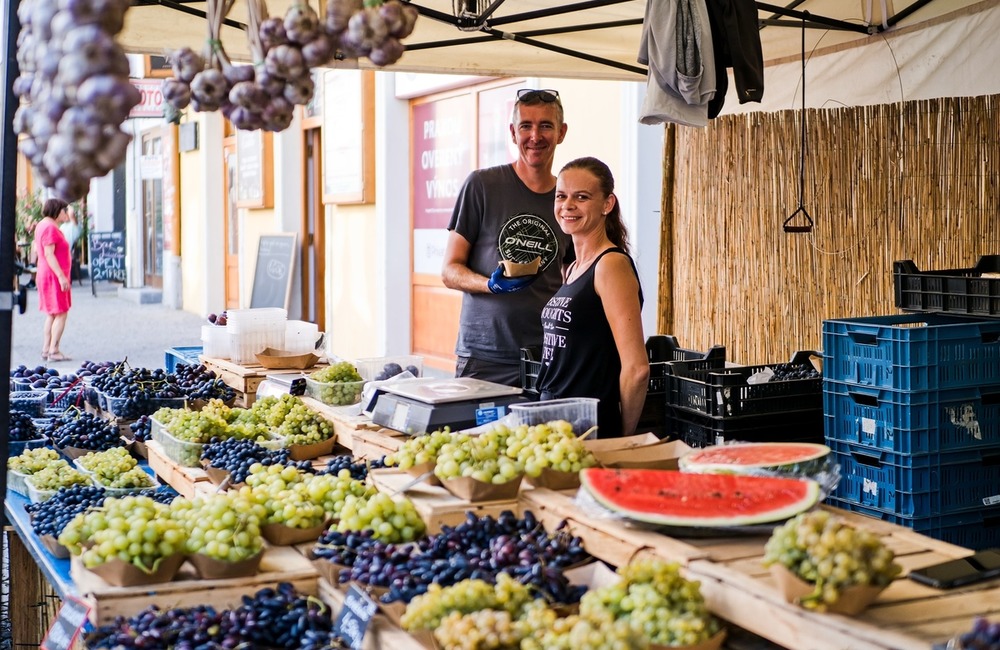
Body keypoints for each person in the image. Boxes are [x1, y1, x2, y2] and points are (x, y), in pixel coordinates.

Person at [442, 88, 572, 386]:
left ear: (561, 132)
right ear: (513, 133)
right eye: (526, 126)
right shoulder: (482, 185)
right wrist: (490, 285)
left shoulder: (567, 199)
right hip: (484, 357)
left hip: (547, 356)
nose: (535, 136)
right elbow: (449, 271)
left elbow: (574, 274)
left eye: (546, 125)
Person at [535, 157, 649, 438]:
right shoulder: (573, 267)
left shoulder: (610, 265)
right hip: (555, 422)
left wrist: (623, 437)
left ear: (607, 204)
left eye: (581, 197)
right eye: (561, 196)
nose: (568, 205)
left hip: (589, 427)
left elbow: (637, 368)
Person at [33, 198, 73, 362]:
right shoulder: (50, 227)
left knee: (52, 313)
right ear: (57, 211)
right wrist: (61, 276)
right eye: (64, 210)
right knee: (61, 313)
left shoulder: (43, 224)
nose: (66, 213)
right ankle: (54, 350)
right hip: (53, 276)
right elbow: (49, 254)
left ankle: (46, 349)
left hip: (47, 274)